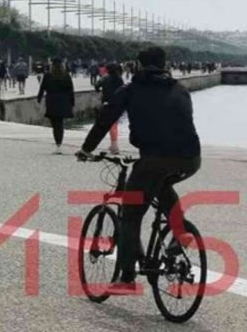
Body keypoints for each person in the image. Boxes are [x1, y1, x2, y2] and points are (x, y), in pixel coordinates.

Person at [77, 47, 201, 295]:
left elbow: (105, 120)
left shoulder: (131, 90)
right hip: (191, 159)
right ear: (165, 64)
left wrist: (86, 149)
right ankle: (181, 233)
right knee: (161, 183)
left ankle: (127, 278)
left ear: (138, 65)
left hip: (154, 158)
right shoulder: (179, 88)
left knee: (130, 216)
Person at [36, 57, 74, 154]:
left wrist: (39, 99)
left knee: (55, 123)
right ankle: (59, 144)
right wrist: (72, 103)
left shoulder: (48, 76)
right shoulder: (66, 76)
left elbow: (42, 88)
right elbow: (71, 90)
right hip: (63, 101)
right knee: (60, 123)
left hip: (51, 101)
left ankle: (58, 143)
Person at [94, 63, 125, 154]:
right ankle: (113, 144)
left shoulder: (105, 77)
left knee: (108, 124)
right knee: (114, 124)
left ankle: (114, 146)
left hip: (106, 102)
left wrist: (101, 90)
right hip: (117, 103)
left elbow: (96, 86)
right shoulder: (119, 78)